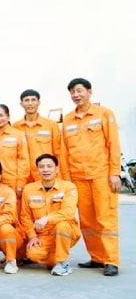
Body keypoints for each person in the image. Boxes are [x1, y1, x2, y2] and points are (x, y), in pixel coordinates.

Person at [59, 78, 120, 276]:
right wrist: (67, 179)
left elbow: (113, 144)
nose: (76, 95)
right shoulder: (68, 119)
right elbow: (63, 151)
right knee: (87, 221)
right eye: (72, 92)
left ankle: (111, 260)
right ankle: (97, 257)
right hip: (78, 178)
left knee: (105, 218)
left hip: (101, 175)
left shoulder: (104, 114)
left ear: (89, 92)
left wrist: (115, 173)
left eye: (79, 91)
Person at [20, 154, 81, 276]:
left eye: (49, 166)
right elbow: (25, 216)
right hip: (44, 235)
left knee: (62, 225)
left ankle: (62, 262)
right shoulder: (29, 189)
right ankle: (56, 260)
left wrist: (47, 219)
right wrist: (32, 236)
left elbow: (68, 212)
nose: (45, 170)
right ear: (37, 170)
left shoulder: (68, 187)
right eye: (41, 167)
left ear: (57, 169)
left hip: (67, 232)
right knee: (33, 254)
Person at [13, 88, 64, 182]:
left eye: (33, 100)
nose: (30, 103)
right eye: (26, 100)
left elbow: (58, 152)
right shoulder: (15, 127)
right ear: (21, 104)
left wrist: (59, 175)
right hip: (24, 177)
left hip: (46, 174)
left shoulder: (51, 125)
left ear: (39, 102)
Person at [0, 104, 29, 199]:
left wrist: (21, 183)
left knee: (12, 206)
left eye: (1, 115)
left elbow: (23, 160)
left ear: (8, 117)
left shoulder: (18, 135)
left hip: (12, 181)